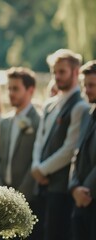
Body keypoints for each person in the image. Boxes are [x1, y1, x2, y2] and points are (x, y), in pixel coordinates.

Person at [31, 49, 88, 240]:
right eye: (54, 72)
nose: (56, 77)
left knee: (56, 233)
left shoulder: (80, 106)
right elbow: (40, 139)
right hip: (40, 183)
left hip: (61, 186)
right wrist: (35, 166)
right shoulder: (49, 105)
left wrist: (43, 170)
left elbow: (70, 148)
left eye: (61, 72)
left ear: (76, 71)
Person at [0, 67, 41, 239]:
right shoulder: (5, 122)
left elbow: (35, 161)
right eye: (9, 88)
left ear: (30, 90)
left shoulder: (39, 122)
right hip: (4, 199)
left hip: (28, 198)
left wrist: (20, 197)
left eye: (16, 89)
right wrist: (2, 192)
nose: (10, 93)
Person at [68, 60, 96, 240]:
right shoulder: (86, 113)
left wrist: (88, 190)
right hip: (79, 199)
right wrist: (74, 187)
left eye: (92, 85)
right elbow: (76, 153)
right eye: (85, 85)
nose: (86, 90)